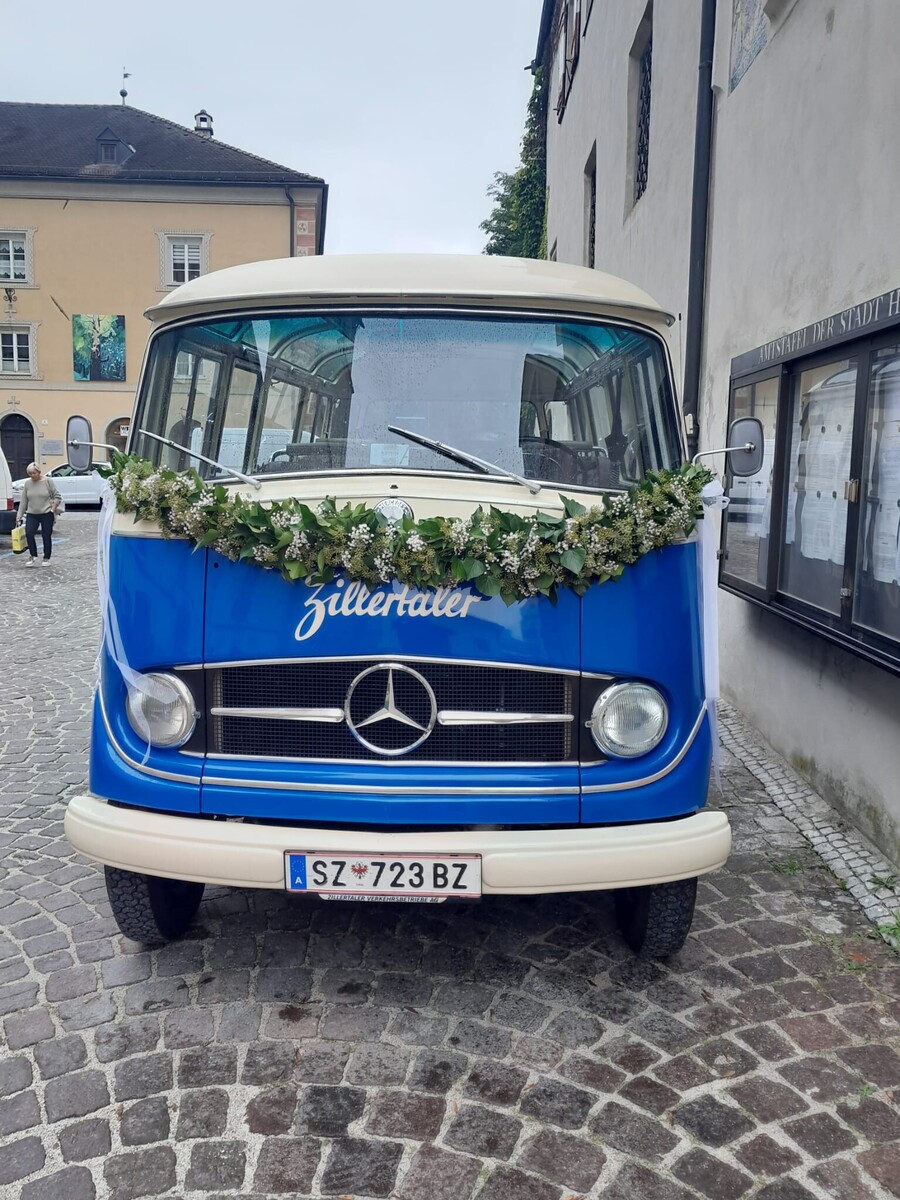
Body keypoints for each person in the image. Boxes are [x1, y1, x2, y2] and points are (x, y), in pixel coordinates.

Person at [16, 463, 61, 567]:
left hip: (46, 513)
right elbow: (24, 501)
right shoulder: (28, 484)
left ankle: (46, 557)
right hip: (32, 513)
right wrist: (19, 515)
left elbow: (57, 496)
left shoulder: (47, 481)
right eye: (30, 473)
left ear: (39, 472)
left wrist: (53, 509)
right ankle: (33, 555)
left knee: (46, 535)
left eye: (34, 473)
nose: (32, 475)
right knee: (29, 533)